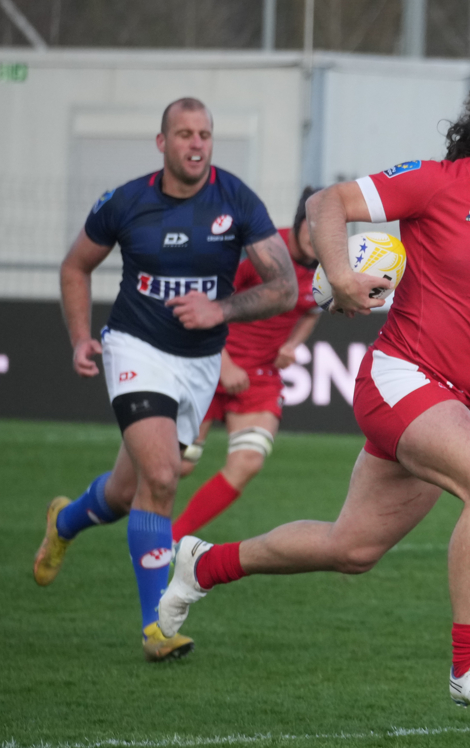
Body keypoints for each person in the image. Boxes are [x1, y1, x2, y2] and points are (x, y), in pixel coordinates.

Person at [158, 82, 470, 714]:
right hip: (400, 377)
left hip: (450, 397)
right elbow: (327, 203)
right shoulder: (436, 182)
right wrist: (340, 277)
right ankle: (469, 665)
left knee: (352, 549)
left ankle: (203, 564)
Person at [33, 98, 297, 661]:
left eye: (204, 134)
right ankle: (157, 627)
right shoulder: (127, 201)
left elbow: (286, 288)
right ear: (162, 143)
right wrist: (81, 335)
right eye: (184, 134)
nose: (196, 144)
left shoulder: (236, 200)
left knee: (130, 491)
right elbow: (75, 266)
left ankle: (66, 520)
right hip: (135, 347)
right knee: (162, 474)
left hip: (199, 362)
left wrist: (220, 311)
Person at [172, 188, 324, 541]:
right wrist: (222, 361)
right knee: (178, 465)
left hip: (260, 375)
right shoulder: (265, 251)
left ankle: (171, 540)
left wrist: (293, 344)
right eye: (313, 225)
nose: (320, 236)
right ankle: (102, 499)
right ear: (301, 220)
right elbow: (209, 301)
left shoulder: (327, 266)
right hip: (208, 362)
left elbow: (312, 311)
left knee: (248, 462)